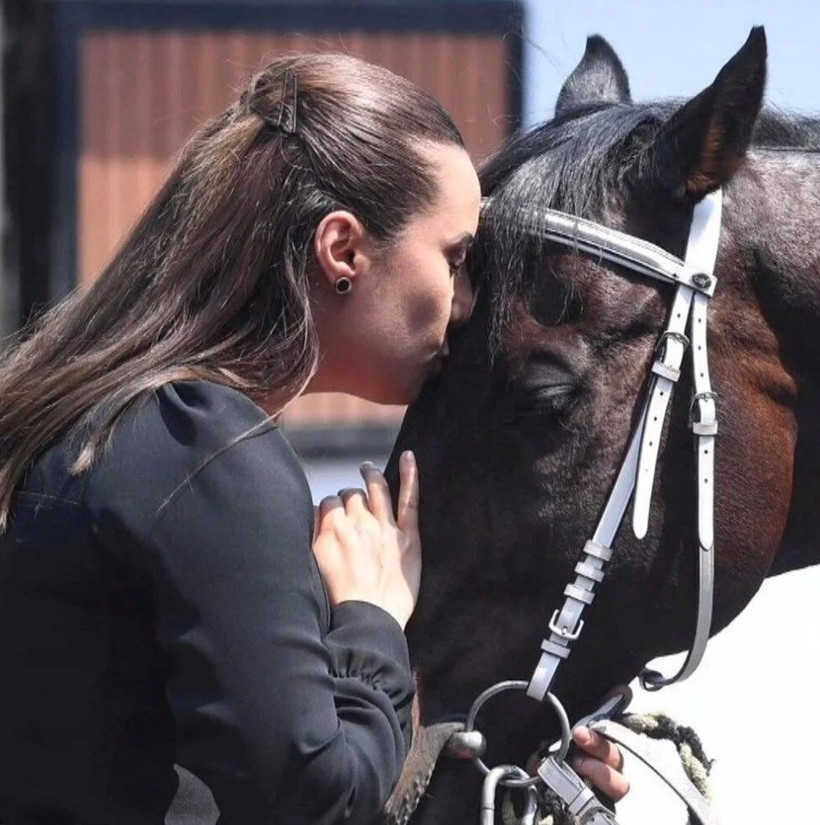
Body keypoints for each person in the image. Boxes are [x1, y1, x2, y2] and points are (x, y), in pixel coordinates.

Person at [0, 53, 628, 823]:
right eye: (456, 258)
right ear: (343, 250)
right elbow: (317, 799)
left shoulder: (119, 424)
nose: (466, 302)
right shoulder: (207, 449)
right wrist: (370, 614)